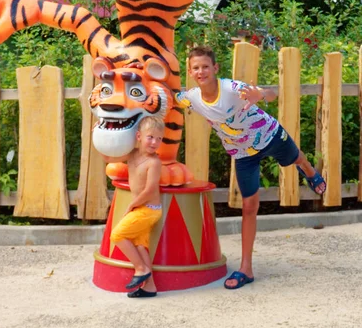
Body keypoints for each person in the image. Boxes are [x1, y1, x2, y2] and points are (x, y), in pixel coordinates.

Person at [175, 45, 326, 290]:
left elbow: (267, 94)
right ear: (190, 72)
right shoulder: (191, 97)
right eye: (196, 68)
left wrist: (260, 95)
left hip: (269, 136)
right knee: (249, 207)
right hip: (243, 154)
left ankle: (310, 173)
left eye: (205, 66)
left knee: (297, 158)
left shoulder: (231, 88)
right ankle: (246, 268)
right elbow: (173, 99)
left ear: (215, 68)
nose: (201, 71)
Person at [102, 116, 164, 298]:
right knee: (140, 246)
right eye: (150, 137)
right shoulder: (132, 154)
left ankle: (140, 269)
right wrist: (100, 133)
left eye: (159, 139)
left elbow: (151, 189)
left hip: (149, 210)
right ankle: (149, 287)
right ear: (139, 136)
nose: (155, 142)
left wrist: (132, 205)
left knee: (118, 235)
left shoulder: (154, 162)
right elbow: (108, 156)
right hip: (140, 209)